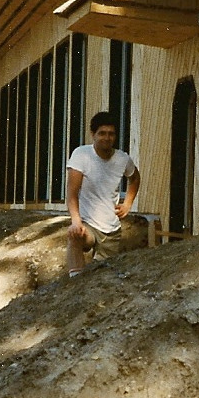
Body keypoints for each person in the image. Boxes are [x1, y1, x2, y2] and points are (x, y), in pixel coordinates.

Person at [66, 111, 140, 277]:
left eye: (111, 134)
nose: (107, 138)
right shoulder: (81, 155)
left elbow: (135, 178)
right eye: (102, 133)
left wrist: (127, 203)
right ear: (93, 134)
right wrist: (76, 221)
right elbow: (71, 193)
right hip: (88, 224)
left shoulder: (122, 159)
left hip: (111, 229)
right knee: (75, 236)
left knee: (102, 277)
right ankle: (73, 284)